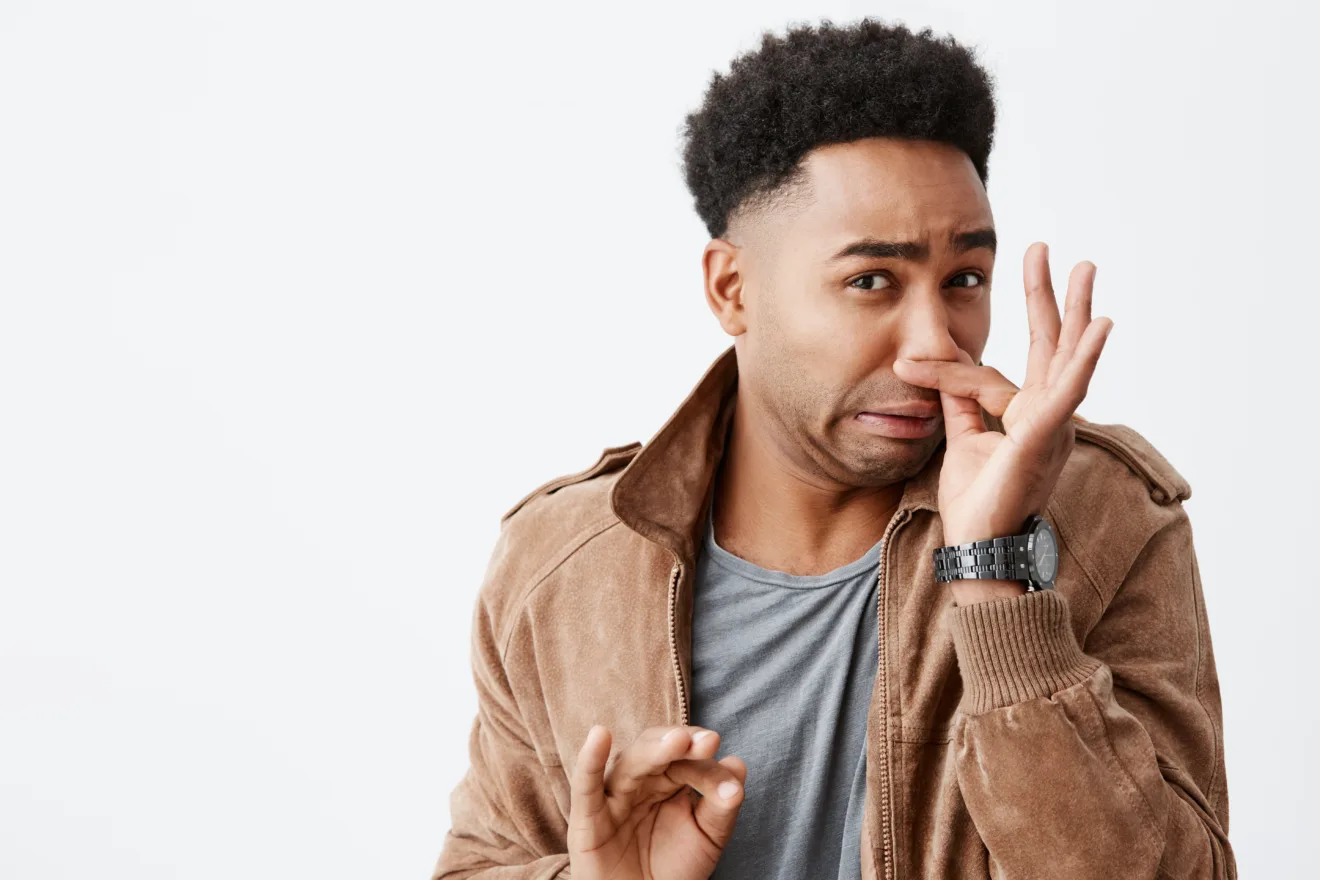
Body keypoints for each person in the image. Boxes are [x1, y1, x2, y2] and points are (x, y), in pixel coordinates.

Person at [432, 17, 1234, 880]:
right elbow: (481, 861)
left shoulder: (1100, 518)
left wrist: (995, 577)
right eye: (870, 282)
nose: (934, 346)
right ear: (732, 289)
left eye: (964, 279)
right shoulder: (566, 563)